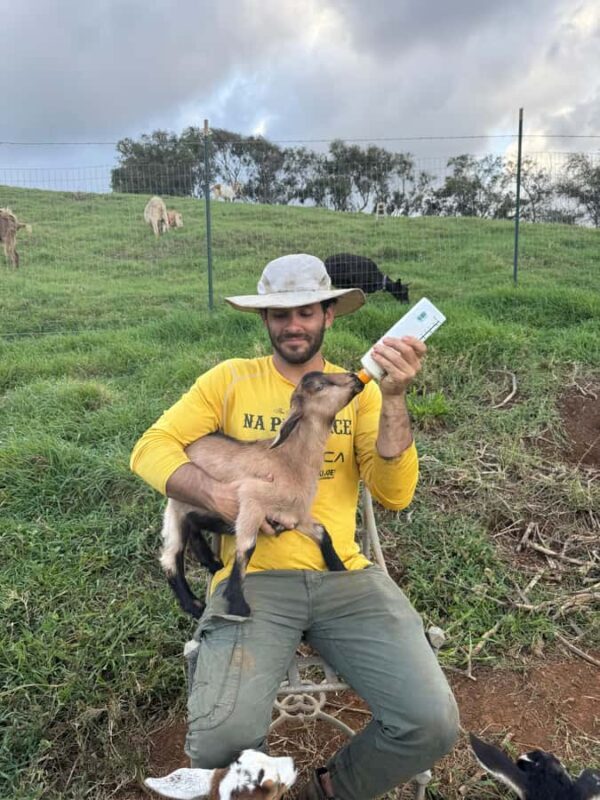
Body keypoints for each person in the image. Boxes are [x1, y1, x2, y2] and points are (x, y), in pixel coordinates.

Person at [130, 254, 459, 800]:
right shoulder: (229, 380)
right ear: (265, 321)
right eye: (279, 315)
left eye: (305, 311)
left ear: (328, 314)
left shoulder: (360, 390)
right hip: (256, 582)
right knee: (221, 741)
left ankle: (326, 791)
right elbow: (150, 449)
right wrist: (218, 495)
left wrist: (396, 398)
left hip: (347, 579)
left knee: (431, 724)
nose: (293, 325)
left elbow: (395, 494)